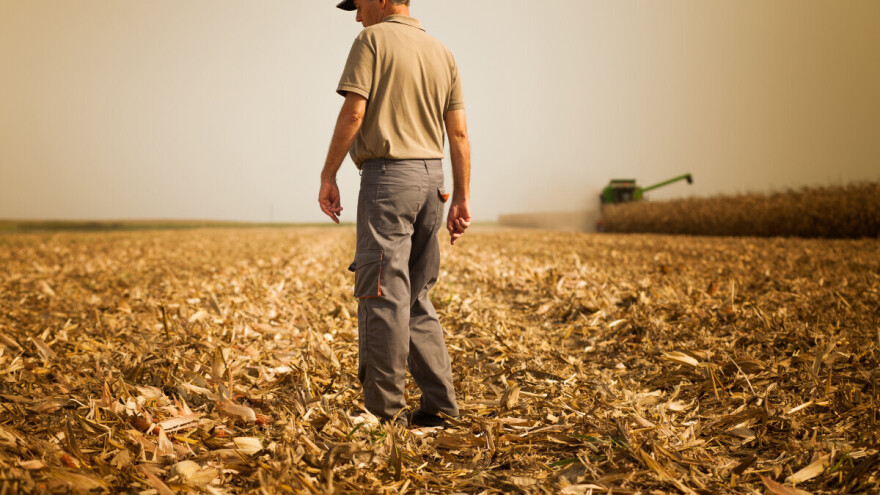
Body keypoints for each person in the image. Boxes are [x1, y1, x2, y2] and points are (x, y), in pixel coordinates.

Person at [318, 0, 471, 427]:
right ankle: (440, 408)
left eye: (358, 3)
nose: (356, 15)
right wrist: (461, 196)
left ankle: (384, 415)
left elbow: (355, 111)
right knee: (416, 295)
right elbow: (458, 132)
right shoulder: (442, 51)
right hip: (433, 182)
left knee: (382, 293)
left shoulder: (371, 40)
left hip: (388, 181)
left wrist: (328, 174)